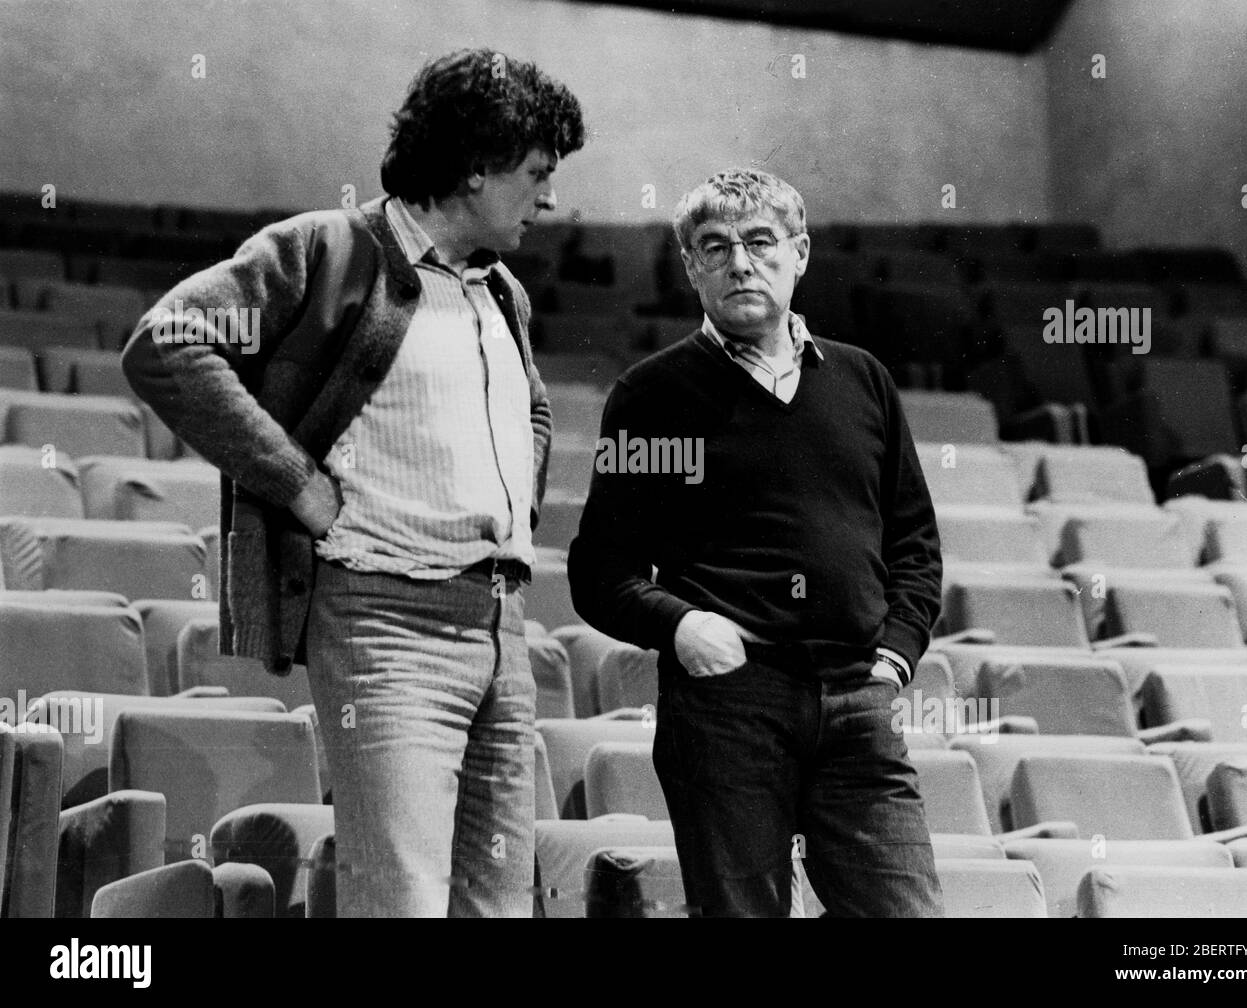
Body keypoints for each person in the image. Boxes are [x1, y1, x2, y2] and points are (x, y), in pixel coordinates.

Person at [122, 48, 585, 917]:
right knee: (401, 899)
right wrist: (295, 482)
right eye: (536, 173)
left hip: (499, 625)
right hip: (384, 623)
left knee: (500, 906)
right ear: (475, 166)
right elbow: (167, 343)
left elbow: (531, 414)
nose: (549, 198)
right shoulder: (328, 249)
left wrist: (513, 514)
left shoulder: (504, 293)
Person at [567, 168, 945, 918]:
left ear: (799, 253)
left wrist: (894, 658)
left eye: (760, 242)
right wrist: (681, 625)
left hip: (857, 701)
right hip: (726, 709)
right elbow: (599, 568)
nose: (739, 263)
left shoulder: (863, 380)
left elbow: (914, 546)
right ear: (690, 268)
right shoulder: (651, 396)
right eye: (715, 247)